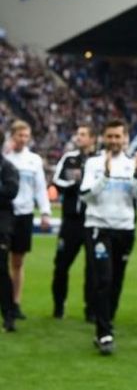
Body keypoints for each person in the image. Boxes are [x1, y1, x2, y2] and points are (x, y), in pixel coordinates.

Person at [80, 119, 137, 354]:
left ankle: (107, 320)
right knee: (103, 279)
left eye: (117, 136)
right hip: (98, 227)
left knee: (117, 280)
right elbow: (85, 196)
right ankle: (104, 333)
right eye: (109, 136)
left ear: (125, 138)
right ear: (103, 137)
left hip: (125, 228)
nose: (113, 141)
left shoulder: (135, 163)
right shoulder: (93, 164)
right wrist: (105, 175)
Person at [3, 120, 51, 320]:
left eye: (26, 136)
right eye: (19, 135)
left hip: (24, 214)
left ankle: (15, 302)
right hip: (5, 213)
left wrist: (45, 211)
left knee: (18, 261)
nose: (22, 139)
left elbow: (40, 187)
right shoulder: (4, 157)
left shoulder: (34, 160)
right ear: (12, 136)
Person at [51, 125, 97, 321]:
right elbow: (58, 182)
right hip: (71, 221)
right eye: (77, 134)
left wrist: (83, 182)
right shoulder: (70, 159)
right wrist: (75, 183)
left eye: (83, 134)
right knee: (61, 265)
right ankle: (59, 305)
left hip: (92, 220)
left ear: (93, 138)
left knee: (93, 268)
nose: (78, 137)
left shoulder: (99, 161)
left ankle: (91, 310)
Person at [0, 129, 20, 332]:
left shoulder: (7, 167)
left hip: (1, 225)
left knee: (1, 270)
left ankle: (8, 314)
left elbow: (11, 191)